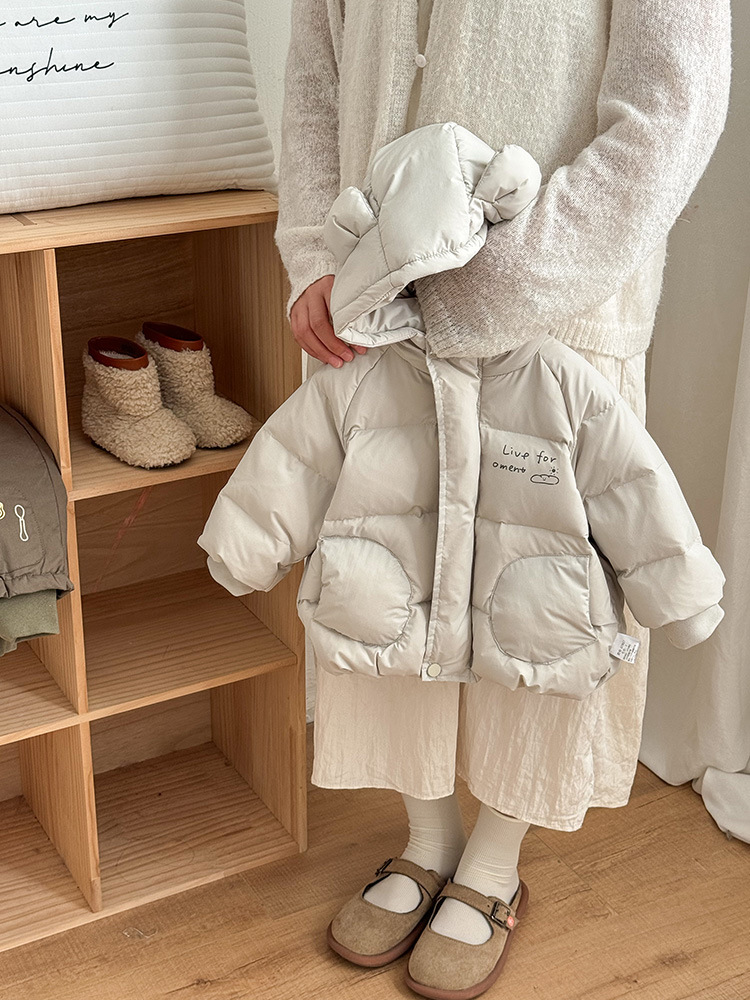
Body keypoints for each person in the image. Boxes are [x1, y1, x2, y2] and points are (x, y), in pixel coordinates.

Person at [272, 1, 732, 995]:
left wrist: (499, 277)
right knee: (382, 577)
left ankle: (493, 862)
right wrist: (316, 252)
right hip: (373, 304)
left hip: (556, 313)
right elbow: (316, 72)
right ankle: (427, 837)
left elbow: (674, 103)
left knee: (541, 600)